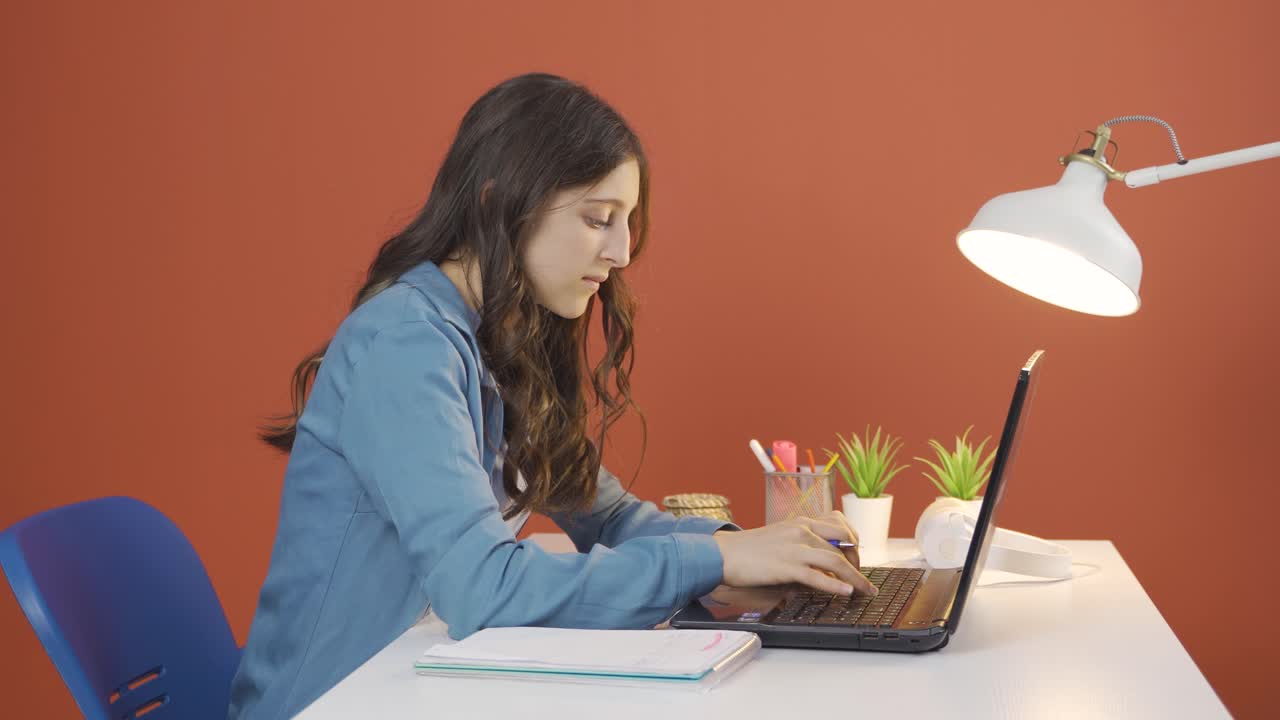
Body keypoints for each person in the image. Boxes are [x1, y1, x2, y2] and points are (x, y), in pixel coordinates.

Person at [227, 72, 874, 719]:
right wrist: (714, 559)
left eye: (627, 223)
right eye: (599, 219)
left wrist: (753, 552)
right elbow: (480, 587)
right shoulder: (406, 343)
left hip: (418, 690)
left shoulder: (499, 345)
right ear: (499, 203)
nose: (622, 252)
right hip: (329, 704)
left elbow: (612, 519)